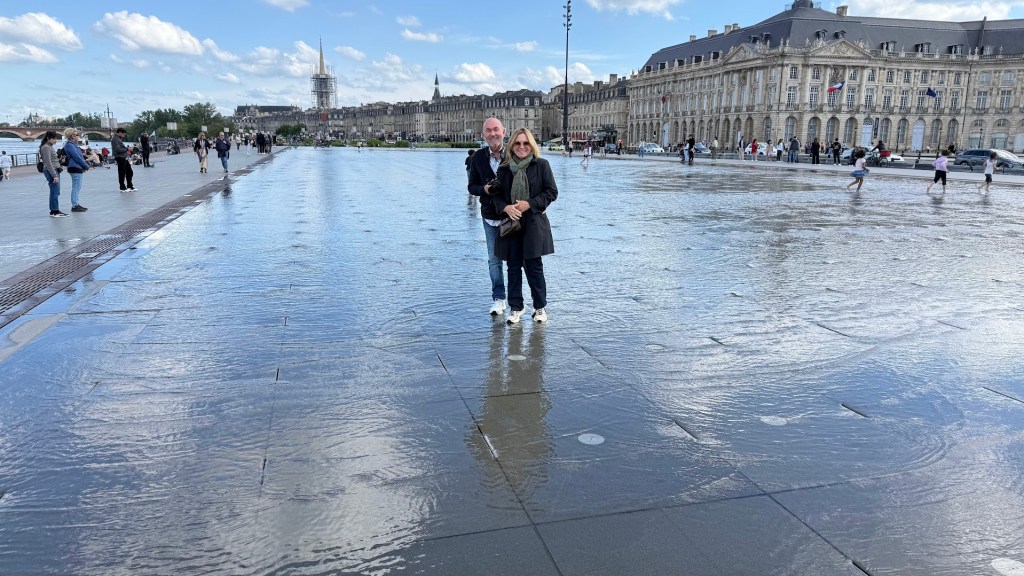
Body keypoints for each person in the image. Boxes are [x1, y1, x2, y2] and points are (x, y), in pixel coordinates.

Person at [492, 127, 557, 324]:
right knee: (513, 267)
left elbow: (551, 192)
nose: (522, 147)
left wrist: (530, 204)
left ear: (531, 145)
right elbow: (496, 197)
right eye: (518, 143)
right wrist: (506, 208)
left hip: (534, 223)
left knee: (534, 267)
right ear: (512, 146)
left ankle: (539, 307)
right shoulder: (504, 169)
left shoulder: (542, 165)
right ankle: (516, 307)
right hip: (512, 224)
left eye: (526, 143)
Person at [467, 117, 509, 316]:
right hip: (490, 216)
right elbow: (471, 186)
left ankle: (516, 300)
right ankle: (499, 299)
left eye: (496, 130)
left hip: (512, 215)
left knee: (516, 259)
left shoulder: (513, 154)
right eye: (488, 131)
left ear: (503, 132)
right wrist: (483, 189)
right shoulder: (478, 158)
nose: (493, 134)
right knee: (494, 259)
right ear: (483, 135)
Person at [62, 128, 90, 212]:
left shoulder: (73, 144)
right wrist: (86, 166)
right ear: (72, 136)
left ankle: (76, 204)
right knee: (76, 187)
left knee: (77, 186)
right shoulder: (70, 145)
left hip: (76, 166)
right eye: (77, 135)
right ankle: (75, 205)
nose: (79, 136)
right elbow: (77, 157)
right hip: (74, 167)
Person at [40, 131, 66, 217]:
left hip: (54, 170)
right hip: (51, 171)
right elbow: (48, 162)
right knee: (55, 191)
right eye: (54, 139)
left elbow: (52, 160)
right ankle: (55, 211)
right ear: (48, 138)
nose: (56, 141)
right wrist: (54, 176)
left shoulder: (49, 147)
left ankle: (54, 210)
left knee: (55, 191)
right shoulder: (46, 147)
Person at [111, 127, 136, 192]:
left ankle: (129, 186)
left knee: (129, 171)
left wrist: (126, 150)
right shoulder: (115, 139)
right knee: (122, 172)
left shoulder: (118, 139)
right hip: (119, 157)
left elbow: (121, 148)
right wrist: (127, 149)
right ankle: (122, 187)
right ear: (120, 133)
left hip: (123, 157)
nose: (124, 136)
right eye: (123, 134)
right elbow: (118, 150)